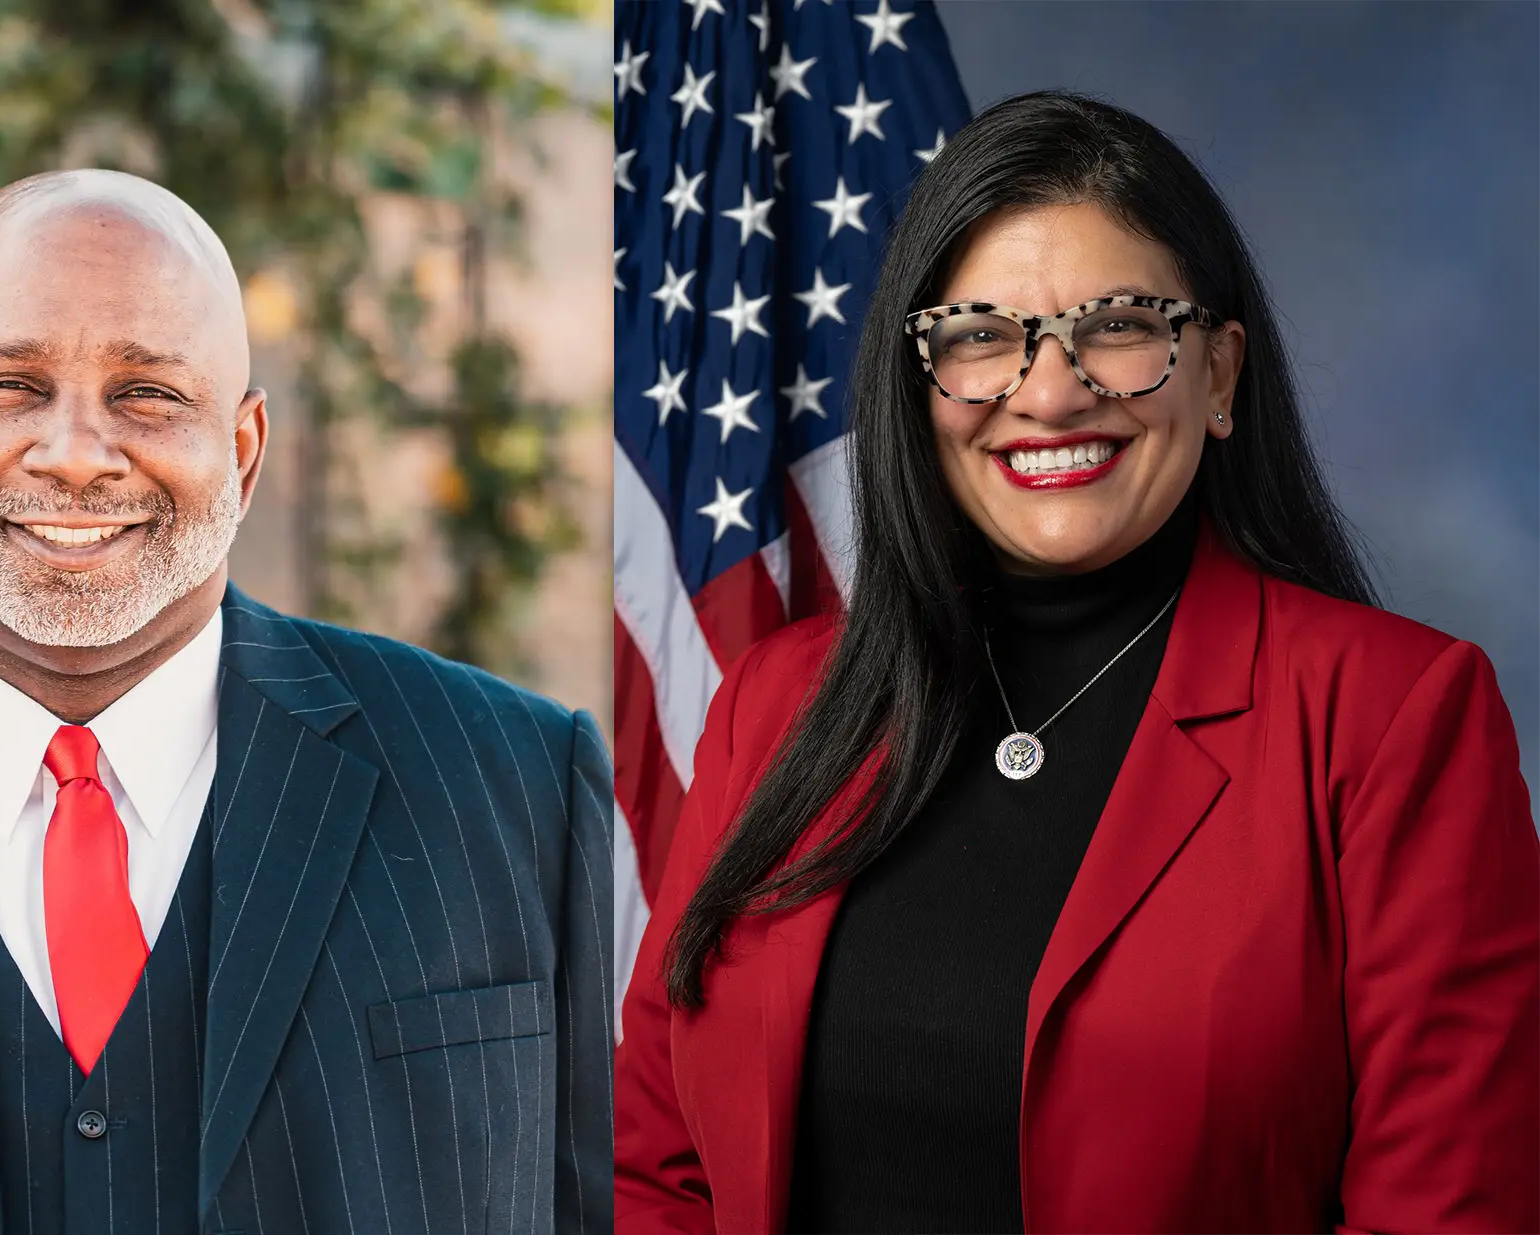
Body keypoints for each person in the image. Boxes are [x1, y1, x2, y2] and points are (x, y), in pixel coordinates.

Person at [0, 169, 612, 1234]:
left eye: (148, 394)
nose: (78, 456)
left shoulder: (519, 790)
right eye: (9, 386)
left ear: (242, 452)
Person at [614, 92, 1538, 1234]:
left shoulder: (1391, 718)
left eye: (1120, 326)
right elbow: (659, 1168)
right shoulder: (775, 703)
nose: (1049, 393)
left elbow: (1447, 1210)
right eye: (979, 336)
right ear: (921, 384)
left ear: (1219, 376)